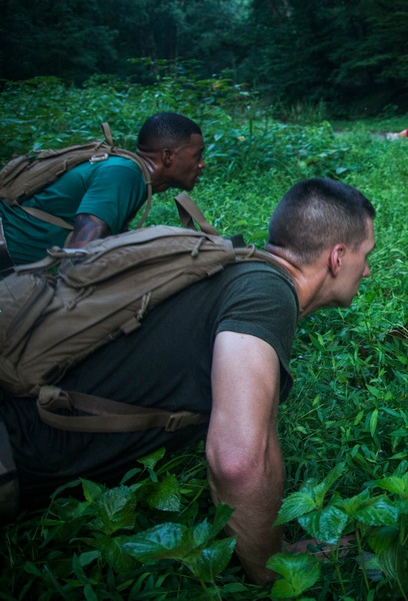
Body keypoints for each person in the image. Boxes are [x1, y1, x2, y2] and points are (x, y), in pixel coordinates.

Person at [0, 177, 377, 584]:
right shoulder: (267, 294)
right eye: (366, 254)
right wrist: (273, 566)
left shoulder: (233, 265)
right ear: (337, 257)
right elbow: (238, 462)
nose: (368, 270)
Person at [0, 113, 205, 268]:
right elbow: (77, 257)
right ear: (168, 157)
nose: (202, 164)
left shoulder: (130, 174)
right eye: (197, 156)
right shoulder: (125, 175)